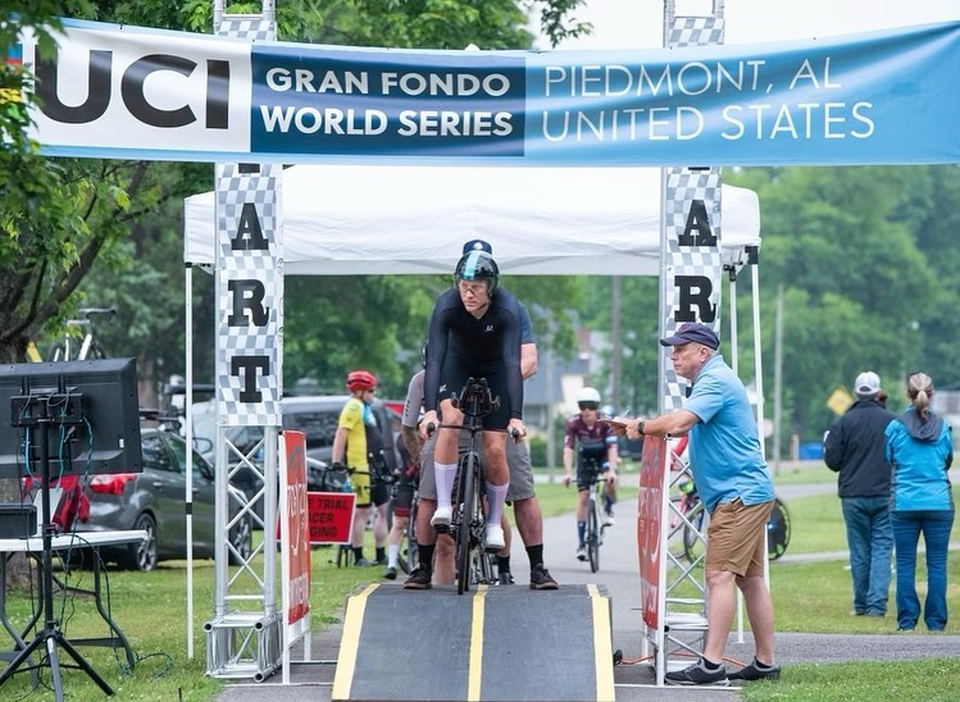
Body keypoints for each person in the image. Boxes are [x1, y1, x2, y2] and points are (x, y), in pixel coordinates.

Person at [609, 322, 778, 685]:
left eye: (679, 349)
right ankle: (765, 663)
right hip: (746, 491)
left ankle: (712, 665)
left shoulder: (714, 381)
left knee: (719, 576)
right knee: (751, 580)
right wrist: (643, 427)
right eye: (672, 349)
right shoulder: (711, 381)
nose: (673, 356)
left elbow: (681, 421)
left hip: (738, 495)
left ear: (702, 352)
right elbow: (682, 426)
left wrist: (641, 425)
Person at [408, 243, 557, 591]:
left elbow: (514, 363)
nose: (468, 293)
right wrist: (430, 409)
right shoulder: (446, 305)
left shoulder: (509, 309)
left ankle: (501, 532)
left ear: (491, 287)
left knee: (495, 449)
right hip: (455, 367)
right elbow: (434, 359)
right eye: (463, 285)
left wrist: (516, 416)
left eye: (476, 287)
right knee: (449, 418)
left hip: (495, 372)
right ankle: (441, 518)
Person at [884, 371, 954, 632]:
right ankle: (936, 623)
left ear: (907, 394)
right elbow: (947, 460)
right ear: (931, 393)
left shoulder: (895, 427)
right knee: (937, 564)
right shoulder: (944, 427)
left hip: (904, 502)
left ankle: (906, 623)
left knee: (904, 563)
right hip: (939, 502)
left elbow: (889, 459)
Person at [823, 371, 896, 617]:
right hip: (885, 493)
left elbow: (833, 461)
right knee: (882, 548)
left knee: (860, 550)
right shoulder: (892, 421)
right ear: (878, 392)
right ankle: (877, 605)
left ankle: (861, 604)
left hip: (853, 495)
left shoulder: (844, 422)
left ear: (856, 393)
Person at [330, 369, 389, 567]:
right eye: (371, 390)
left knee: (382, 509)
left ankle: (381, 554)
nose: (374, 394)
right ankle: (358, 556)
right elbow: (341, 433)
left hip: (375, 465)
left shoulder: (365, 407)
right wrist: (336, 461)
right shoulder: (353, 407)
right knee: (362, 512)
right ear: (359, 391)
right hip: (361, 466)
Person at [562, 386, 619, 562]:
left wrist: (611, 470)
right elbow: (568, 449)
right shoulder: (573, 423)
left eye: (591, 406)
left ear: (597, 407)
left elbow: (612, 447)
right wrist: (568, 473)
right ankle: (581, 544)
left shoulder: (605, 421)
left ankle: (608, 508)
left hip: (603, 455)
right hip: (585, 458)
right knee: (583, 496)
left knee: (610, 480)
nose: (587, 411)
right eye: (583, 406)